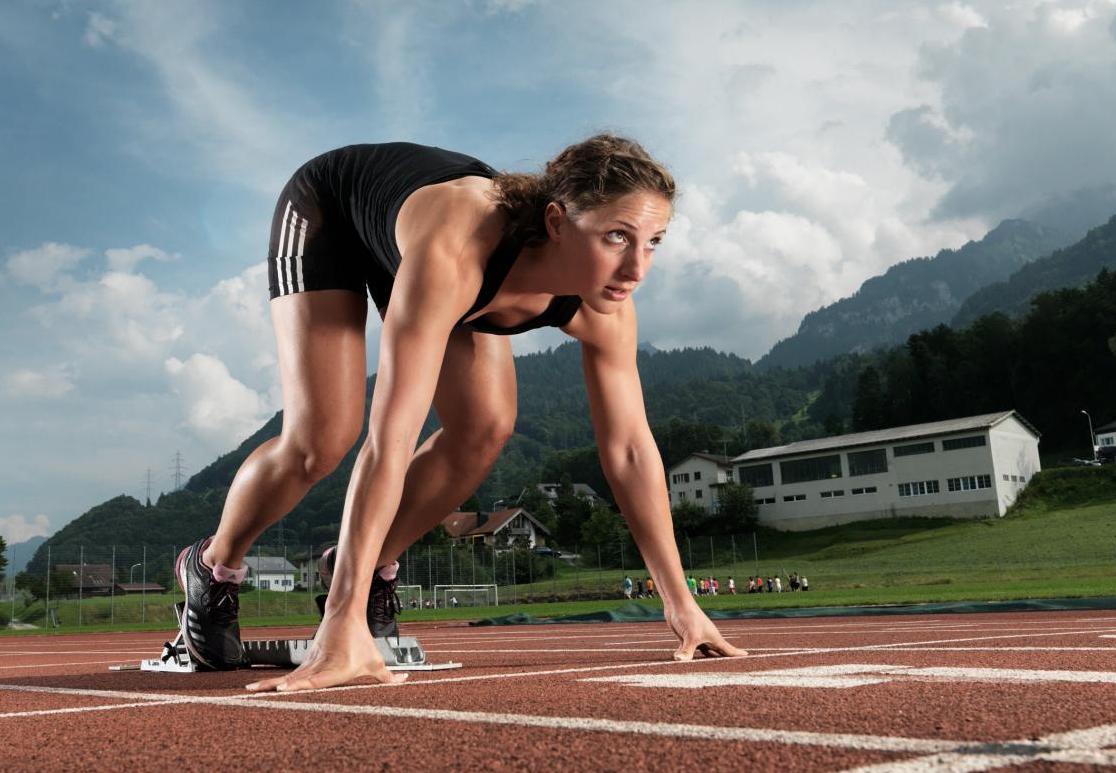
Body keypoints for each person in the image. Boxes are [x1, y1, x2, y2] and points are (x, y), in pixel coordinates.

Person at [174, 136, 745, 690]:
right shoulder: (460, 251)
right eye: (617, 237)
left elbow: (629, 449)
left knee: (485, 427)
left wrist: (682, 605)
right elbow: (391, 437)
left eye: (654, 242)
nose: (636, 268)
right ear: (556, 223)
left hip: (442, 254)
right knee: (321, 440)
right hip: (331, 214)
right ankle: (213, 564)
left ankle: (367, 566)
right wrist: (340, 627)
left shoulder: (608, 306)